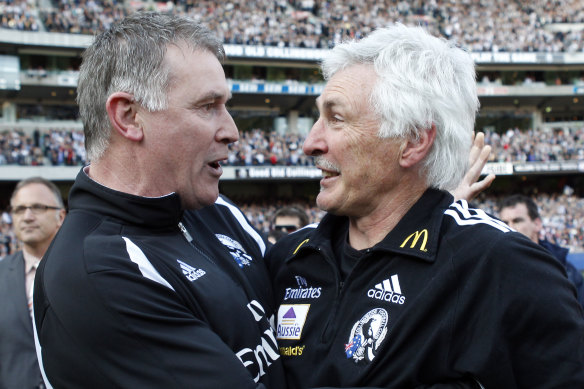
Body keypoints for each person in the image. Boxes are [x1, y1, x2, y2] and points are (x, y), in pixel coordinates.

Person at [266, 24, 584, 388]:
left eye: (336, 119)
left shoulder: (502, 268)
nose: (310, 143)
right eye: (317, 118)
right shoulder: (288, 257)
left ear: (413, 142)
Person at [33, 12, 284, 388]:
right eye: (207, 106)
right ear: (130, 117)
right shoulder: (94, 274)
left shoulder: (217, 210)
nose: (232, 131)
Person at [0, 177, 65, 388]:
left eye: (38, 207)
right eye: (19, 209)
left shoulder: (86, 271)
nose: (27, 217)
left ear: (61, 216)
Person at [499, 194, 584, 307]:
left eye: (517, 221)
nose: (509, 227)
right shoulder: (495, 268)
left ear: (537, 224)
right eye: (504, 223)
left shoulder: (566, 271)